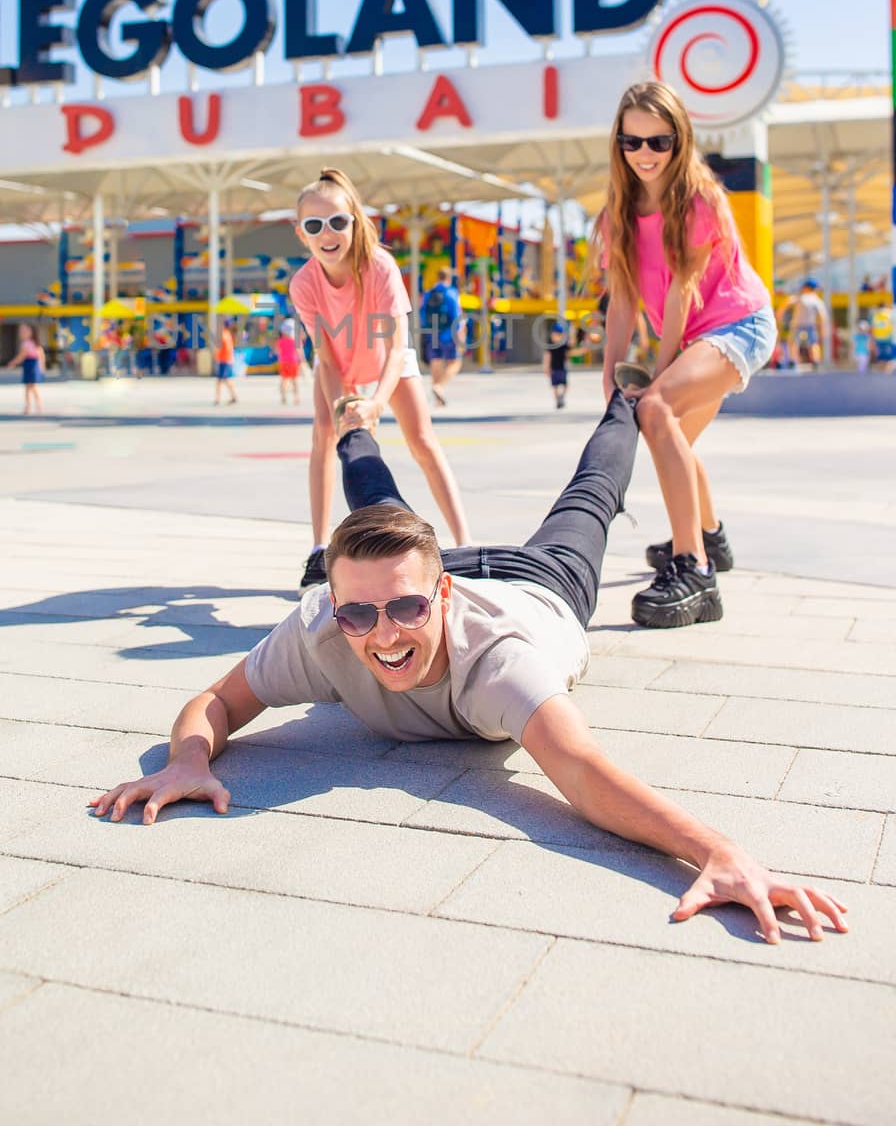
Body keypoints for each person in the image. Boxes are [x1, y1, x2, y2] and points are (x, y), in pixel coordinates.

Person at [91, 394, 847, 950]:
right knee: (376, 503)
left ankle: (622, 397)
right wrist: (187, 760)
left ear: (441, 596)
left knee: (589, 499)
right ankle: (357, 420)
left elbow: (580, 772)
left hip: (538, 582)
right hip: (427, 566)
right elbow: (217, 701)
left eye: (403, 613)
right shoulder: (324, 624)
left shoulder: (499, 661)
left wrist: (716, 851)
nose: (381, 637)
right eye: (359, 616)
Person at [592, 80, 777, 629]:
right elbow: (624, 299)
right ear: (618, 144)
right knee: (674, 437)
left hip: (738, 325)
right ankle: (710, 538)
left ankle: (694, 569)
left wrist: (661, 374)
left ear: (680, 139)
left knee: (657, 412)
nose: (645, 154)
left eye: (659, 141)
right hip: (698, 336)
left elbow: (681, 291)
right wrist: (609, 374)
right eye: (633, 142)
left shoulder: (698, 199)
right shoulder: (616, 214)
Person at [290, 168, 469, 589]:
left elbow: (395, 350)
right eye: (314, 225)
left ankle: (463, 542)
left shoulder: (380, 266)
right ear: (301, 233)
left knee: (423, 441)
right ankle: (318, 547)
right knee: (323, 439)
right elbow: (327, 359)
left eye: (337, 221)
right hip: (339, 360)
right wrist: (344, 408)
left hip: (388, 358)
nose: (327, 233)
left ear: (354, 219)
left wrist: (374, 405)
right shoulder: (303, 283)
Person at [420, 265, 463, 406]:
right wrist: (459, 334)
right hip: (448, 334)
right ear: (449, 278)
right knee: (455, 362)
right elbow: (457, 315)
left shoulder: (428, 293)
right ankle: (439, 387)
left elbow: (422, 313)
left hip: (432, 333)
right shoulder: (452, 293)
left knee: (436, 361)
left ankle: (438, 399)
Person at [7, 322, 45, 416]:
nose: (23, 333)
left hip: (31, 364)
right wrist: (42, 367)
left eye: (25, 330)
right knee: (31, 387)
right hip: (31, 364)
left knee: (30, 387)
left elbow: (22, 356)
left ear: (31, 332)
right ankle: (35, 405)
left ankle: (30, 406)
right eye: (21, 331)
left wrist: (13, 363)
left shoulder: (27, 344)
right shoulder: (33, 343)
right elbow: (41, 355)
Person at [790, 280, 829, 369]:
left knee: (794, 342)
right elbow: (822, 316)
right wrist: (823, 329)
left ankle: (793, 361)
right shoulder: (816, 300)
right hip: (810, 325)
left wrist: (780, 313)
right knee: (813, 343)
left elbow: (789, 302)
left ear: (806, 288)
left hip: (797, 324)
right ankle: (816, 361)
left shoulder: (800, 297)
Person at [542, 320, 573, 409]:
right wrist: (546, 367)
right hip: (554, 368)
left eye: (559, 335)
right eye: (555, 334)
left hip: (562, 368)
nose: (556, 336)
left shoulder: (563, 345)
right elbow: (547, 356)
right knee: (555, 386)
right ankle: (558, 401)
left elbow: (569, 352)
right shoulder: (551, 345)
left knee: (565, 385)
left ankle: (561, 397)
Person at [276, 318, 302, 405]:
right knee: (294, 381)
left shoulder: (280, 341)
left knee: (284, 380)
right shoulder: (295, 340)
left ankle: (283, 397)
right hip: (293, 362)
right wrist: (301, 360)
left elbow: (277, 351)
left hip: (283, 362)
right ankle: (296, 398)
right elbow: (299, 351)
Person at [214, 319, 238, 405]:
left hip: (223, 360)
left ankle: (217, 399)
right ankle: (233, 396)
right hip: (227, 359)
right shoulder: (228, 334)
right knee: (226, 380)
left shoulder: (223, 335)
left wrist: (216, 355)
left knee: (220, 380)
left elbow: (218, 347)